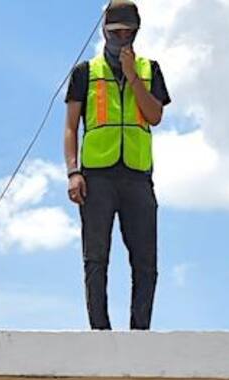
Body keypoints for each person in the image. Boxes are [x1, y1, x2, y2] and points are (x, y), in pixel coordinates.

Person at [64, 0, 170, 331]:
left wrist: (132, 77)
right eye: (115, 32)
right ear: (104, 32)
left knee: (145, 261)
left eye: (128, 33)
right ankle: (100, 330)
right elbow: (70, 126)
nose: (121, 38)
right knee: (95, 257)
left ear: (136, 33)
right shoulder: (85, 72)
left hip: (137, 176)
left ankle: (140, 331)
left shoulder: (149, 69)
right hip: (97, 175)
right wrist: (73, 171)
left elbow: (154, 115)